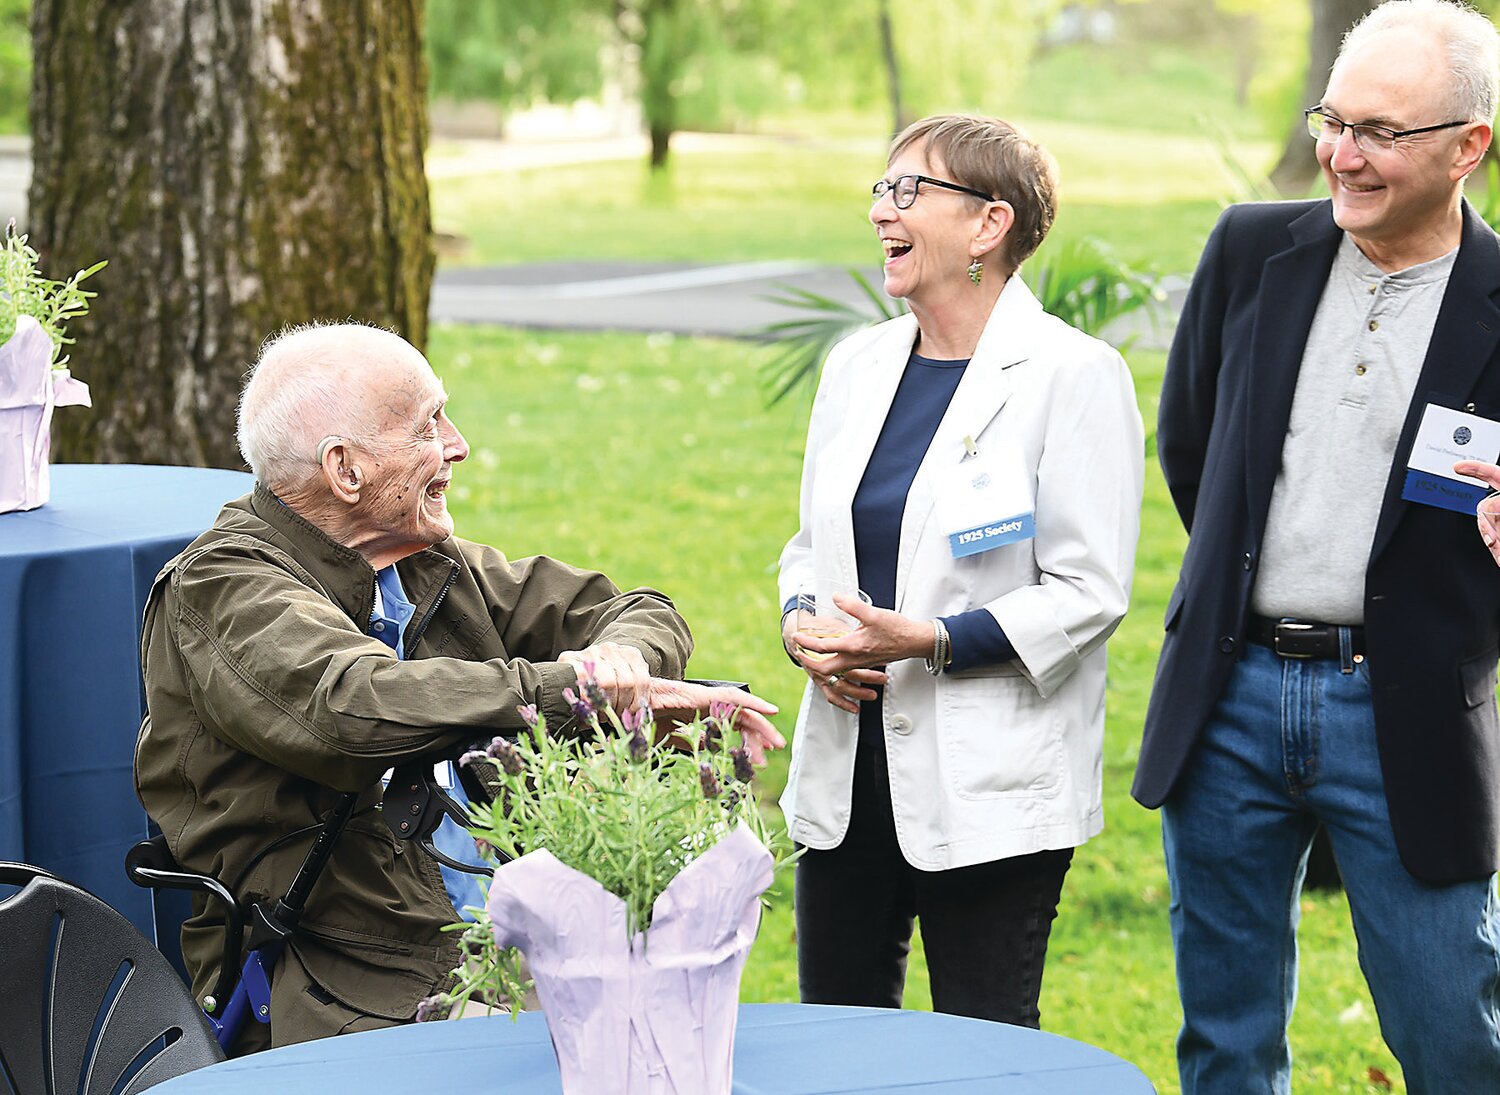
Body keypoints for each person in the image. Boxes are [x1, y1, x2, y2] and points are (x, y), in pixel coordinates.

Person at [134, 322, 784, 1054]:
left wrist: (623, 669)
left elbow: (637, 610)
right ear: (345, 470)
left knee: (683, 1037)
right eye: (427, 425)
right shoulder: (222, 586)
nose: (458, 443)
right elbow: (354, 706)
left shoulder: (423, 562)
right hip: (350, 970)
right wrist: (578, 688)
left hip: (505, 935)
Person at [1133, 2, 1500, 1090]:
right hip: (1227, 696)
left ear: (1468, 146)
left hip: (1411, 711)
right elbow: (1194, 448)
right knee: (1225, 1039)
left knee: (1453, 1037)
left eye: (1381, 132)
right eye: (1333, 120)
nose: (1340, 154)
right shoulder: (1254, 251)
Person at [777, 114, 1144, 1026]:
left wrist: (933, 639)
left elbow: (1089, 590)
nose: (881, 212)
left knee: (980, 1054)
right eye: (880, 189)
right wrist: (800, 623)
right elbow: (809, 544)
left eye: (910, 191)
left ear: (990, 223)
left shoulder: (1073, 375)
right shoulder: (856, 365)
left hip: (988, 779)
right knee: (840, 1045)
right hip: (848, 765)